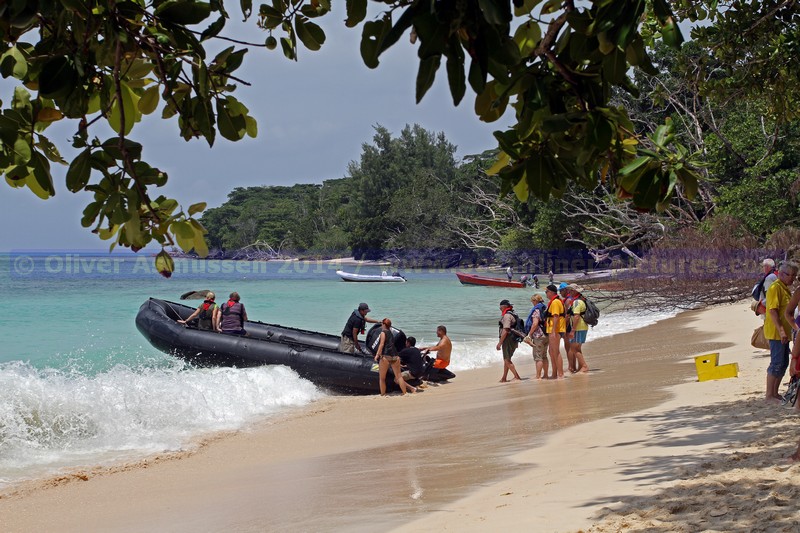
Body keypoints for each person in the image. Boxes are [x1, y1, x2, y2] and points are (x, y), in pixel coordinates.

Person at [764, 262, 798, 402]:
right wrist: (782, 331)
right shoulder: (775, 288)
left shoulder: (784, 288)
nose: (793, 279)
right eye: (791, 275)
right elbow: (773, 311)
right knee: (776, 363)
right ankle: (769, 395)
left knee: (783, 363)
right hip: (776, 332)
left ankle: (775, 393)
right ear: (782, 274)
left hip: (783, 333)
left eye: (795, 276)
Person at [374, 318, 411, 396]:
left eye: (382, 323)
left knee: (382, 378)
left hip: (386, 356)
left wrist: (377, 355)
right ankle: (405, 393)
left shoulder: (383, 333)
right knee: (399, 376)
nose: (381, 324)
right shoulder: (391, 333)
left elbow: (381, 344)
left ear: (384, 324)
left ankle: (383, 394)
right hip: (395, 356)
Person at [496, 299, 522, 382]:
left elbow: (506, 330)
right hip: (513, 339)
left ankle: (517, 376)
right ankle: (504, 377)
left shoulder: (507, 316)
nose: (500, 309)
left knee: (507, 360)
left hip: (508, 339)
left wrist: (500, 343)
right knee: (507, 359)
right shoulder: (513, 314)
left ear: (503, 307)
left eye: (500, 307)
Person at [545, 284, 566, 379]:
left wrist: (553, 331)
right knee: (551, 351)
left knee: (555, 351)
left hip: (556, 330)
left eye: (547, 292)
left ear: (552, 292)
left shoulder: (555, 302)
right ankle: (554, 373)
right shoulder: (555, 302)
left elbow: (556, 316)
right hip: (555, 329)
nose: (546, 293)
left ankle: (560, 374)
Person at [526, 294, 549, 380]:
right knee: (544, 356)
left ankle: (538, 376)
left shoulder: (536, 310)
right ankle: (546, 375)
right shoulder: (545, 308)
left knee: (538, 357)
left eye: (532, 301)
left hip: (538, 335)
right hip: (546, 334)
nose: (532, 303)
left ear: (535, 301)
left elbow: (535, 323)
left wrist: (529, 334)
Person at [567, 285, 590, 373]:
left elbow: (576, 316)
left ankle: (584, 366)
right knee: (578, 348)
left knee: (574, 349)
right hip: (583, 326)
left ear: (574, 291)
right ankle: (581, 367)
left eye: (570, 291)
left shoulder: (576, 302)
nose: (569, 292)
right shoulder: (581, 300)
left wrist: (573, 330)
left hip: (578, 328)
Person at [559, 282, 575, 370]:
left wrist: (564, 328)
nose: (560, 293)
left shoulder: (568, 300)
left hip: (569, 326)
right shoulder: (571, 298)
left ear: (565, 290)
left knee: (568, 347)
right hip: (573, 325)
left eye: (561, 291)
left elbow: (568, 315)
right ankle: (573, 366)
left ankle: (571, 367)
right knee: (572, 347)